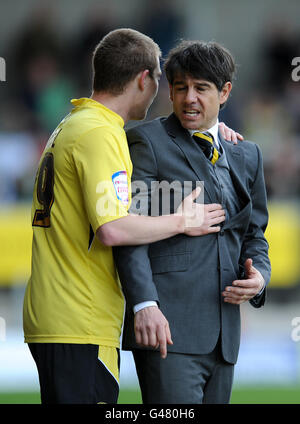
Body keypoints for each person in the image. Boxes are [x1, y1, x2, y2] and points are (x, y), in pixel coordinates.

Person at [23, 29, 240, 405]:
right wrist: (183, 221)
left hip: (64, 315)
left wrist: (211, 133)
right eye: (160, 79)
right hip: (79, 318)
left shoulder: (75, 124)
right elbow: (112, 228)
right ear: (144, 78)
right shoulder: (99, 134)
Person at [114, 40, 270, 404]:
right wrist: (144, 305)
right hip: (165, 328)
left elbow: (254, 235)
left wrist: (260, 277)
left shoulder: (246, 154)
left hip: (225, 335)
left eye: (201, 88)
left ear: (225, 92)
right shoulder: (146, 141)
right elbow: (130, 230)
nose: (189, 98)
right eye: (180, 87)